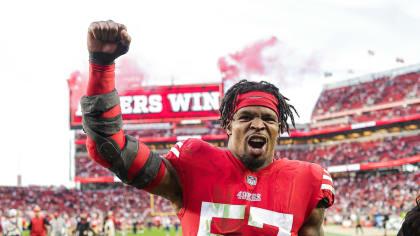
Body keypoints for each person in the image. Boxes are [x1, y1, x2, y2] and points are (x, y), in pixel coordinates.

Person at [82, 20, 335, 236]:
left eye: (268, 119)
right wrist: (102, 66)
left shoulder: (307, 181)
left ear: (278, 127)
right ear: (228, 124)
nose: (258, 125)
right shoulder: (195, 164)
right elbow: (111, 148)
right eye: (246, 116)